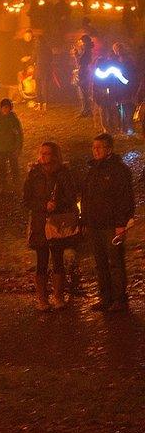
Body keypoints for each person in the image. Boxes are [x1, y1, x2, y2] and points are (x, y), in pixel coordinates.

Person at [22, 142, 79, 311]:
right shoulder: (34, 175)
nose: (43, 157)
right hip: (40, 223)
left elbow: (71, 196)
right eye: (41, 153)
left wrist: (57, 204)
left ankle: (58, 296)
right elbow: (27, 199)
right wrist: (42, 205)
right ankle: (41, 299)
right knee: (41, 261)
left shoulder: (64, 174)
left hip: (57, 223)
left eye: (47, 153)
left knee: (57, 259)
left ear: (54, 155)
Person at [82, 133, 134, 313]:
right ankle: (106, 297)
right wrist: (85, 219)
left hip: (112, 225)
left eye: (99, 147)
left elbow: (125, 199)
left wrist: (121, 224)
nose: (95, 151)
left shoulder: (119, 171)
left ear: (109, 149)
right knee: (100, 262)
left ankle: (120, 299)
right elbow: (87, 197)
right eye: (94, 147)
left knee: (115, 262)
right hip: (95, 224)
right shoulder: (93, 170)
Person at [0, 98, 24, 193]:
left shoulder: (13, 120)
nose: (5, 109)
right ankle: (3, 184)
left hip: (11, 148)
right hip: (1, 148)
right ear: (0, 109)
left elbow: (18, 135)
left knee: (14, 166)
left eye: (7, 107)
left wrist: (18, 147)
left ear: (10, 108)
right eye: (3, 108)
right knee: (2, 168)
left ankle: (16, 182)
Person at [74, 34, 95, 118]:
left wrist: (76, 54)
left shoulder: (86, 50)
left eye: (82, 41)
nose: (81, 43)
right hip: (87, 71)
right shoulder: (88, 49)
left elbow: (80, 62)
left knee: (83, 92)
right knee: (85, 91)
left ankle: (86, 110)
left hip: (84, 71)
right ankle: (86, 109)